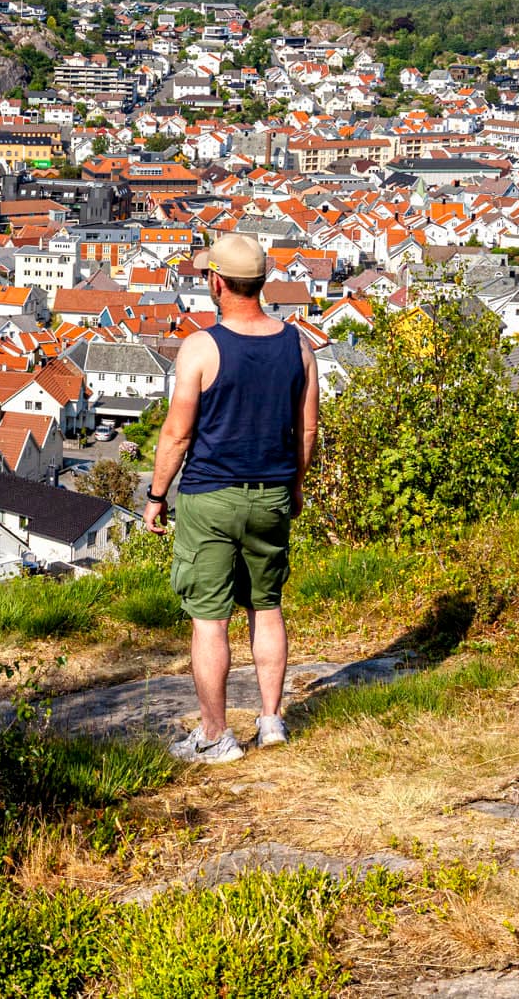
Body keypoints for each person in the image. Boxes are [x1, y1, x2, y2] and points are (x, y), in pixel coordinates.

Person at [142, 233, 319, 764]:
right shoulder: (298, 345)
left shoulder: (202, 346)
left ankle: (216, 736)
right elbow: (306, 433)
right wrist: (294, 488)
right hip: (271, 492)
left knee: (209, 618)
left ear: (217, 282)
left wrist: (156, 496)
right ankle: (271, 721)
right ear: (261, 282)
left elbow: (176, 435)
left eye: (205, 278)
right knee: (267, 607)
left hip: (210, 494)